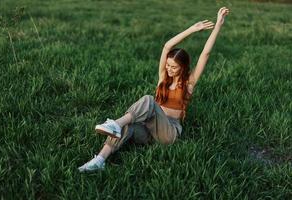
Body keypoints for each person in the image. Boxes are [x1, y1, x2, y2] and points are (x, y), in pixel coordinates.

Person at [78, 7, 230, 172]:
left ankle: (115, 123)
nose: (169, 69)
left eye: (174, 67)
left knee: (149, 100)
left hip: (169, 132)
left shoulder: (189, 83)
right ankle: (99, 160)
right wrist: (192, 29)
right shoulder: (163, 79)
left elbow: (205, 54)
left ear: (183, 67)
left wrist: (218, 26)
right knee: (126, 127)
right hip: (149, 131)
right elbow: (166, 47)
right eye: (168, 65)